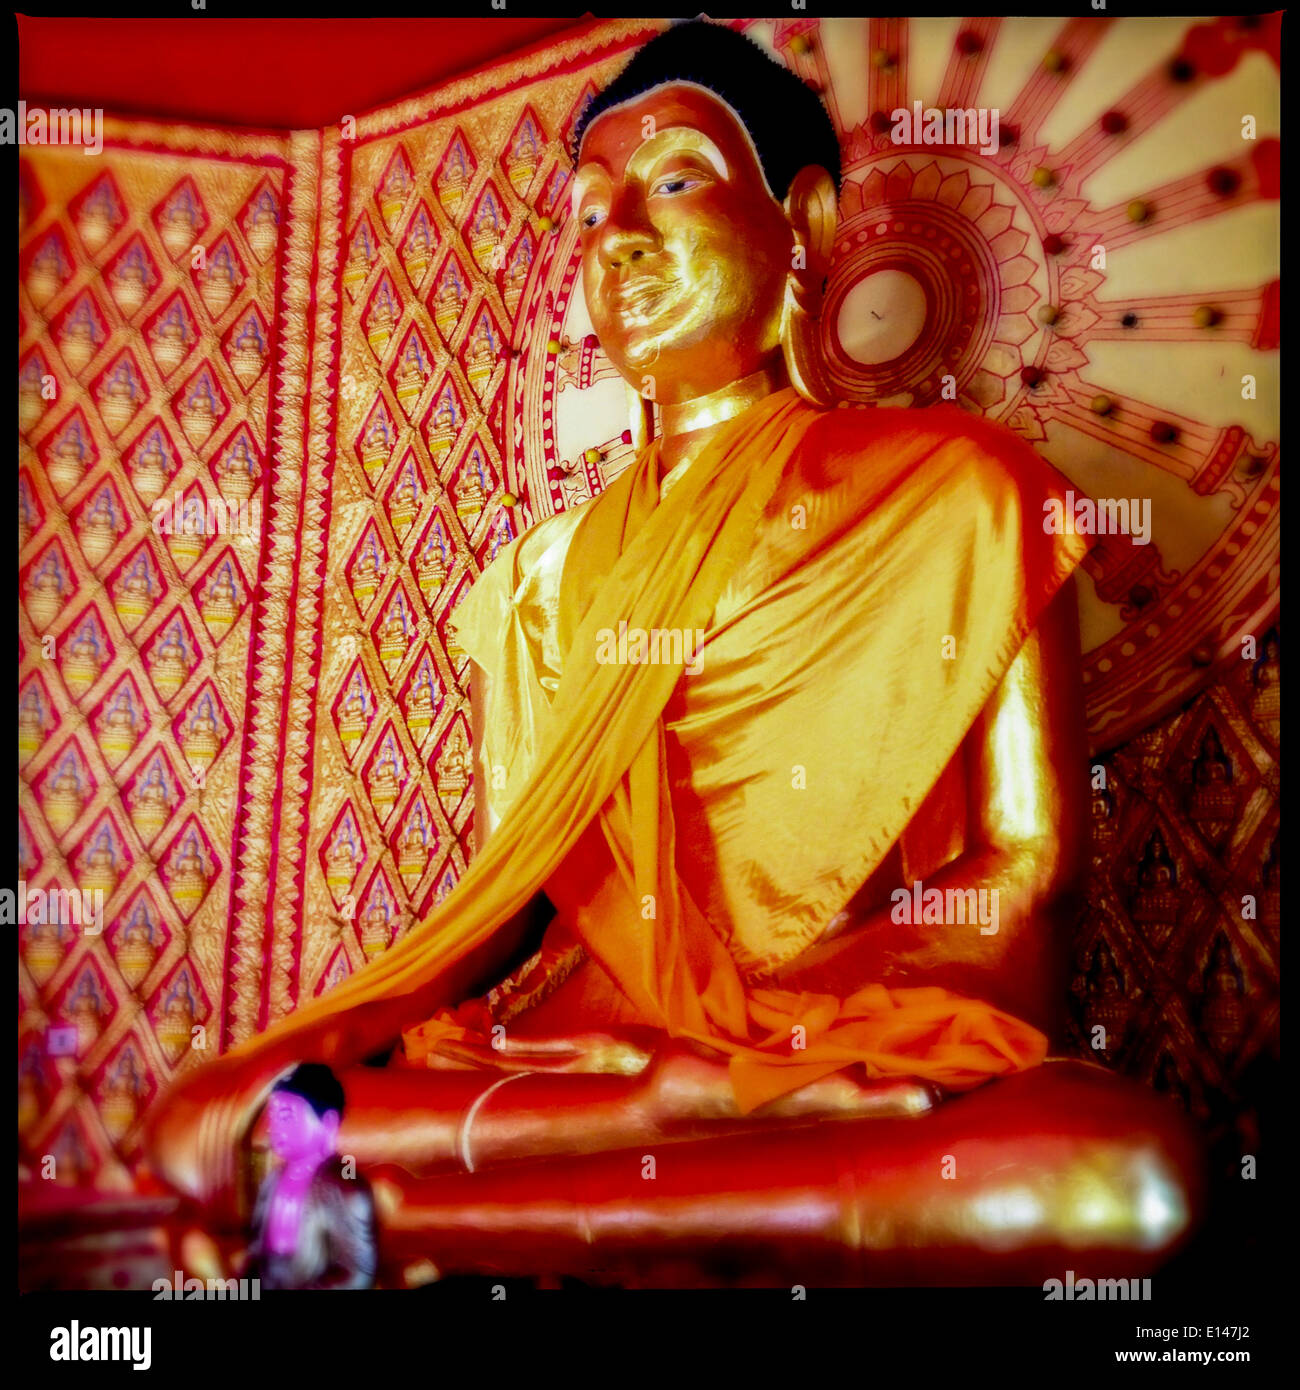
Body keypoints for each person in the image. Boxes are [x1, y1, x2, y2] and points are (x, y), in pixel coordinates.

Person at [146, 20, 1201, 1285]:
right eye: (591, 214)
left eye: (678, 182)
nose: (621, 241)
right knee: (209, 1123)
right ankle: (628, 1137)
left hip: (838, 1043)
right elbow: (514, 903)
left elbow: (1022, 875)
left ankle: (397, 1229)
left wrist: (762, 1044)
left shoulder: (961, 491)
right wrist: (323, 1038)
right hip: (572, 1065)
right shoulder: (546, 575)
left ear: (802, 223)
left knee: (1114, 1174)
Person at [244, 1064, 376, 1291]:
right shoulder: (273, 1181)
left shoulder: (345, 1190)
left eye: (285, 1118)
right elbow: (256, 1249)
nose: (273, 1128)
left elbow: (358, 1274)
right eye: (272, 1118)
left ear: (328, 1122)